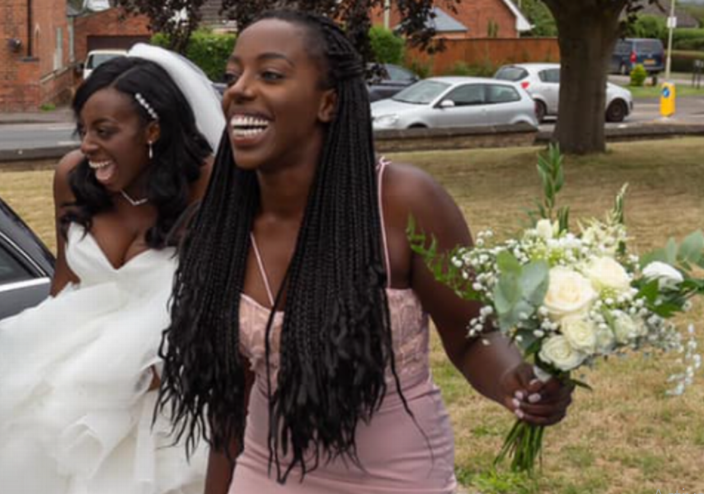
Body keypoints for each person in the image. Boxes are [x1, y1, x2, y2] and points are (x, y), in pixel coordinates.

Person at [156, 11, 575, 494]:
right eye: (232, 76)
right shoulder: (222, 224)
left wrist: (514, 383)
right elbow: (233, 394)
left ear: (328, 103)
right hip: (265, 470)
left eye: (269, 75)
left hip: (397, 473)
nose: (238, 91)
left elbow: (472, 335)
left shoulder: (403, 202)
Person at [0, 43, 224, 494]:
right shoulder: (71, 175)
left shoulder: (209, 183)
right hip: (76, 390)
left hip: (175, 391)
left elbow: (232, 293)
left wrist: (173, 368)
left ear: (152, 130)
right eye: (82, 129)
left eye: (104, 131)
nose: (87, 146)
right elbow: (65, 284)